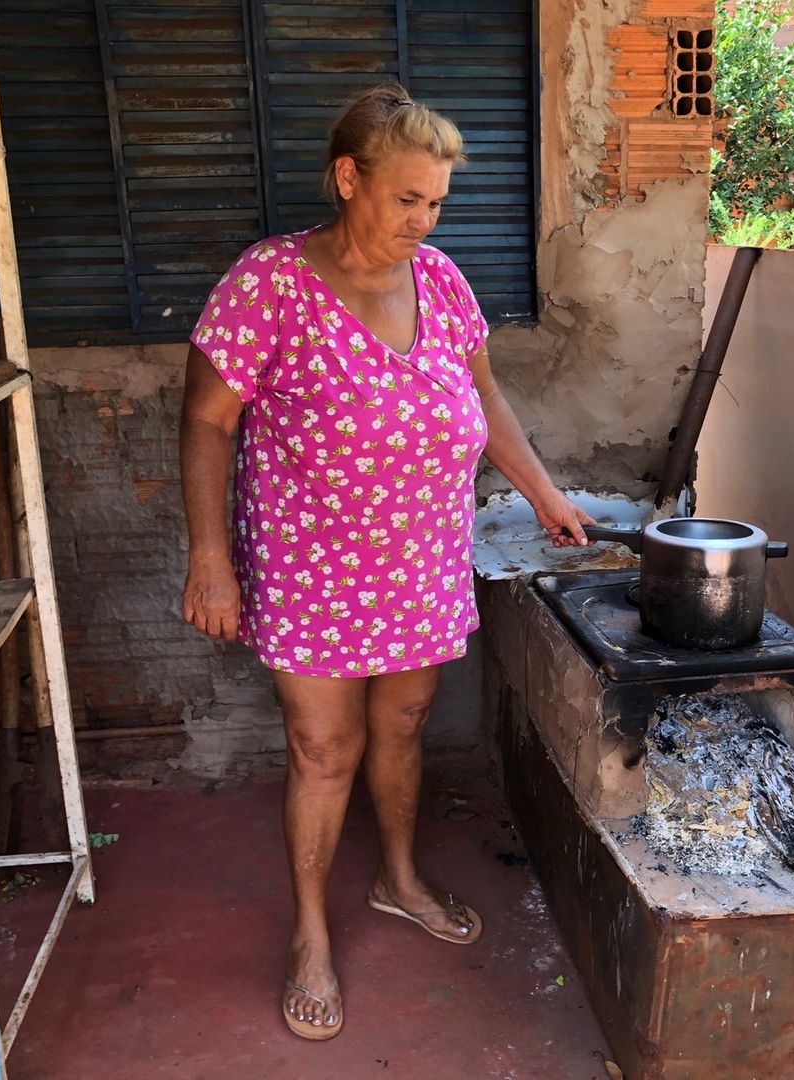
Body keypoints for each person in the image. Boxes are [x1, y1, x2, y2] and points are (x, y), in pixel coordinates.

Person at [178, 83, 593, 1041]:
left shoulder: (441, 280)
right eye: (407, 198)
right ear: (348, 177)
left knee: (403, 724)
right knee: (325, 751)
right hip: (310, 563)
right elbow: (206, 421)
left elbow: (486, 402)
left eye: (437, 202)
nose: (424, 219)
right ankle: (312, 934)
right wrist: (210, 557)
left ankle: (400, 880)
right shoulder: (269, 282)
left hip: (421, 559)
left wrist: (544, 492)